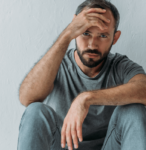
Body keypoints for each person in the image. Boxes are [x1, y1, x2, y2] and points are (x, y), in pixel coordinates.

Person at [17, 0, 146, 150]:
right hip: (62, 146)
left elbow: (143, 88)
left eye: (103, 36)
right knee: (35, 111)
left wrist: (86, 98)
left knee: (134, 109)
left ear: (115, 38)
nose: (92, 44)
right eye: (85, 33)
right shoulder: (57, 64)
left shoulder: (120, 66)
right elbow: (27, 98)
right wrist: (67, 34)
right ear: (75, 29)